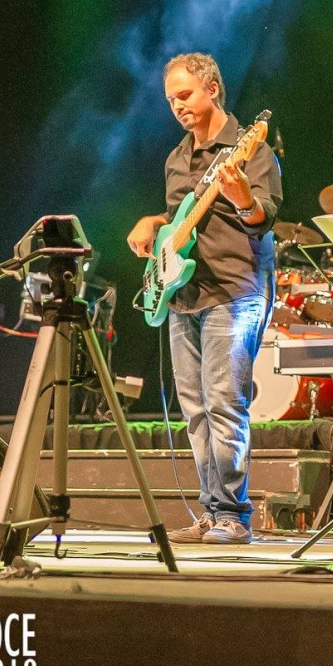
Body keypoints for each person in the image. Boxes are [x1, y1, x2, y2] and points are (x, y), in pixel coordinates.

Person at [128, 53, 282, 546]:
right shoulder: (176, 159)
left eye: (185, 95)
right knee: (194, 410)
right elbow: (180, 219)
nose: (177, 106)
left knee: (223, 403)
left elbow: (263, 218)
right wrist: (154, 223)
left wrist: (242, 198)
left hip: (233, 290)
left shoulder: (251, 148)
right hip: (183, 294)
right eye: (171, 99)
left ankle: (234, 515)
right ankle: (211, 511)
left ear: (212, 88)